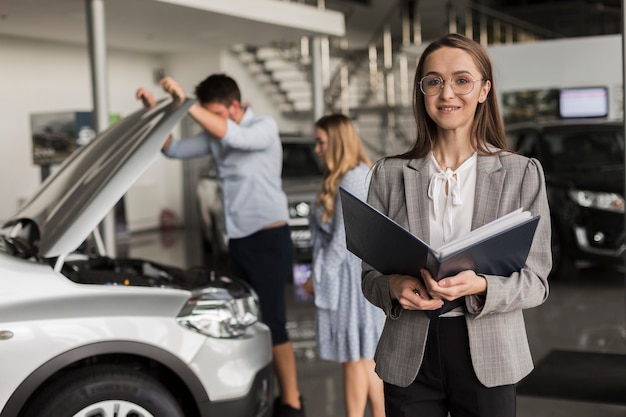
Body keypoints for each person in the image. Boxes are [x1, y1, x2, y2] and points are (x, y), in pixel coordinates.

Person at [360, 33, 552, 417]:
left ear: (484, 90)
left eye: (461, 80)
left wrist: (481, 285)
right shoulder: (388, 174)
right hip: (408, 355)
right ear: (422, 92)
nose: (447, 93)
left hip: (490, 353)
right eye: (434, 81)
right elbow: (369, 277)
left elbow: (536, 282)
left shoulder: (521, 174)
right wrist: (393, 286)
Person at [136, 74, 305, 417]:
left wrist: (188, 104)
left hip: (269, 239)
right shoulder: (218, 134)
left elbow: (236, 137)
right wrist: (155, 110)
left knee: (273, 322)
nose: (214, 119)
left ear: (234, 105)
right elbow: (174, 149)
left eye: (216, 112)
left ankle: (292, 403)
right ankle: (264, 394)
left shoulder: (264, 127)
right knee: (249, 322)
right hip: (239, 240)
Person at [305, 114, 386, 417]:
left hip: (351, 281)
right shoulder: (348, 176)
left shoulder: (353, 177)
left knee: (356, 358)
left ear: (337, 141)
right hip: (348, 279)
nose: (317, 148)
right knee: (360, 359)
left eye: (321, 141)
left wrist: (318, 276)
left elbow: (342, 240)